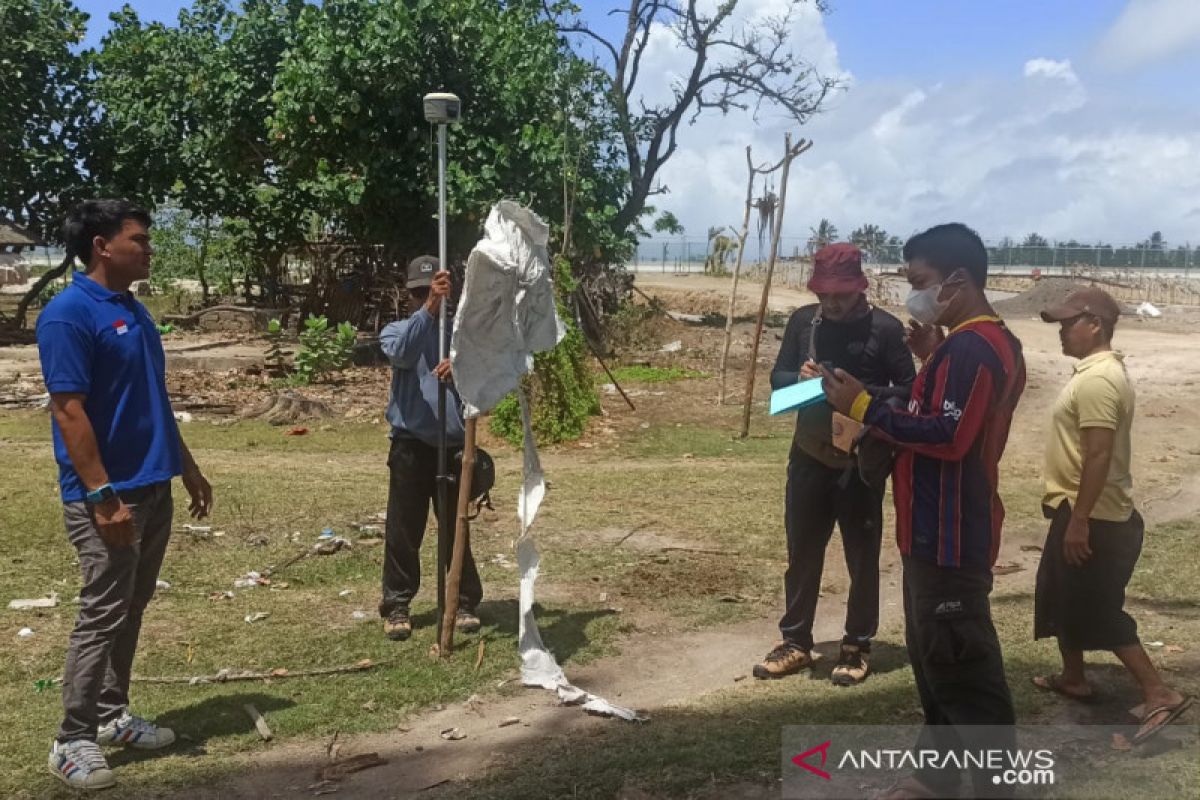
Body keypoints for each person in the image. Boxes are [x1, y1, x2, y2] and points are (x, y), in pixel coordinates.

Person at [822, 223, 1025, 798]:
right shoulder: (976, 345)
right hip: (933, 531)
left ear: (957, 281)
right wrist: (931, 360)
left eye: (920, 282)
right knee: (938, 665)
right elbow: (952, 412)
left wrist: (861, 404)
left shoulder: (972, 347)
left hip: (950, 537)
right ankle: (934, 778)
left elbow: (950, 435)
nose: (913, 294)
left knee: (964, 673)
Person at [37, 199, 213, 791]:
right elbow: (69, 412)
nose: (149, 248)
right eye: (138, 240)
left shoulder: (134, 312)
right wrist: (102, 495)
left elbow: (153, 399)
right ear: (101, 246)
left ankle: (112, 715)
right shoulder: (69, 314)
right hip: (108, 496)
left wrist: (186, 466)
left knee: (131, 608)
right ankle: (72, 739)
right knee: (102, 611)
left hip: (153, 484)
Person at [1032, 287, 1192, 743]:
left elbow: (1098, 455)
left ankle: (1158, 692)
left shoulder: (1099, 380)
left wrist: (1080, 520)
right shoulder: (1094, 372)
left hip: (1096, 517)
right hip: (1077, 508)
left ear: (1094, 325)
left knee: (1097, 610)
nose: (1062, 332)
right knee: (1059, 593)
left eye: (1068, 324)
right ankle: (1073, 677)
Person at [755, 243, 915, 685]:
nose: (832, 302)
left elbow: (908, 389)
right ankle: (796, 642)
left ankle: (856, 645)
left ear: (859, 288)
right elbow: (777, 380)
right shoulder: (804, 322)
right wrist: (800, 380)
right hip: (807, 454)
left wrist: (863, 395)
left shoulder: (885, 329)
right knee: (802, 553)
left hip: (859, 461)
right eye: (825, 293)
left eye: (840, 293)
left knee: (861, 558)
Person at [377, 256, 482, 641]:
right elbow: (402, 354)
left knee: (456, 528)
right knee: (404, 529)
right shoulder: (397, 330)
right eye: (420, 292)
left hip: (454, 446)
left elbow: (486, 380)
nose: (427, 297)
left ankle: (464, 600)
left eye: (432, 291)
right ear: (411, 296)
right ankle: (397, 605)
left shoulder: (461, 336)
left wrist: (461, 367)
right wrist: (429, 310)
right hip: (409, 445)